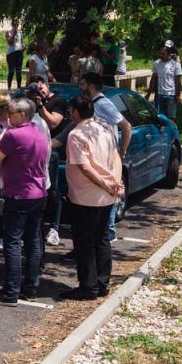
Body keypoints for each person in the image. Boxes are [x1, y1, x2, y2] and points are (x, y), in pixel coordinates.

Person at [62, 95, 124, 300]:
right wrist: (115, 181)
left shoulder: (76, 134)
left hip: (85, 196)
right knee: (102, 238)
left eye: (71, 111)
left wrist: (106, 183)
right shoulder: (104, 129)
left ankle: (88, 286)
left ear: (76, 112)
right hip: (107, 195)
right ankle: (102, 282)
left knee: (85, 242)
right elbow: (116, 156)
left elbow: (84, 167)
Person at [0, 98, 49, 305]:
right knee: (33, 242)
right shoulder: (39, 133)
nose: (8, 116)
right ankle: (31, 287)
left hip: (19, 194)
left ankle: (10, 291)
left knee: (13, 243)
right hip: (39, 192)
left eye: (11, 113)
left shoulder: (13, 135)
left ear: (22, 115)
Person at [79, 71, 131, 242]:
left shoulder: (103, 104)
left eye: (82, 84)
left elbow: (126, 126)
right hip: (98, 155)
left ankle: (109, 232)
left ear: (91, 87)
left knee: (109, 191)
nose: (80, 88)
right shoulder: (91, 104)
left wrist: (121, 151)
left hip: (107, 156)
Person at [148, 44, 182, 120]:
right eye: (160, 53)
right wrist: (148, 94)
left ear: (169, 54)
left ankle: (172, 128)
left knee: (171, 118)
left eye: (163, 54)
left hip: (171, 95)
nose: (161, 55)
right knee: (159, 118)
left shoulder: (175, 65)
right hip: (159, 95)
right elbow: (153, 79)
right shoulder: (156, 63)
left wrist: (178, 95)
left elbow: (178, 81)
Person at [5, 24, 24, 89]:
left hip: (19, 53)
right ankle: (9, 88)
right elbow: (10, 42)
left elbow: (21, 42)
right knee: (11, 71)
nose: (15, 26)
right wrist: (13, 34)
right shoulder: (8, 32)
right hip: (11, 54)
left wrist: (23, 47)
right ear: (12, 25)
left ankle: (19, 88)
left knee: (18, 72)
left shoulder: (20, 33)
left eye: (16, 25)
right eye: (14, 25)